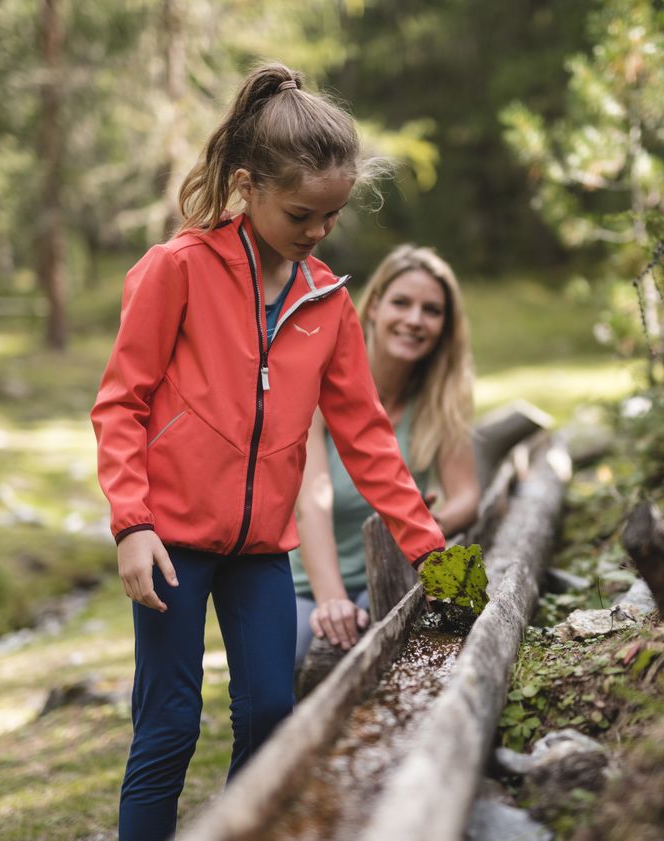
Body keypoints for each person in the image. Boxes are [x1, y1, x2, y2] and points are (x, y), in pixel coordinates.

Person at [90, 63, 445, 841]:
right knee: (169, 726)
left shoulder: (327, 302)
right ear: (246, 186)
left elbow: (369, 439)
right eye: (301, 213)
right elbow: (121, 403)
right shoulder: (176, 270)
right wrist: (132, 523)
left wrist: (427, 545)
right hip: (170, 544)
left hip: (260, 552)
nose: (318, 230)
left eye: (332, 215)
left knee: (271, 714)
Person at [291, 244, 480, 666]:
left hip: (394, 575)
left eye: (431, 310)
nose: (415, 320)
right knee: (307, 653)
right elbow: (311, 503)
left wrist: (429, 522)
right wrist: (332, 600)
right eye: (401, 303)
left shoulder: (440, 401)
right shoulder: (320, 389)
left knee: (429, 642)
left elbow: (466, 494)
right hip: (309, 583)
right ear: (373, 307)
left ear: (445, 325)